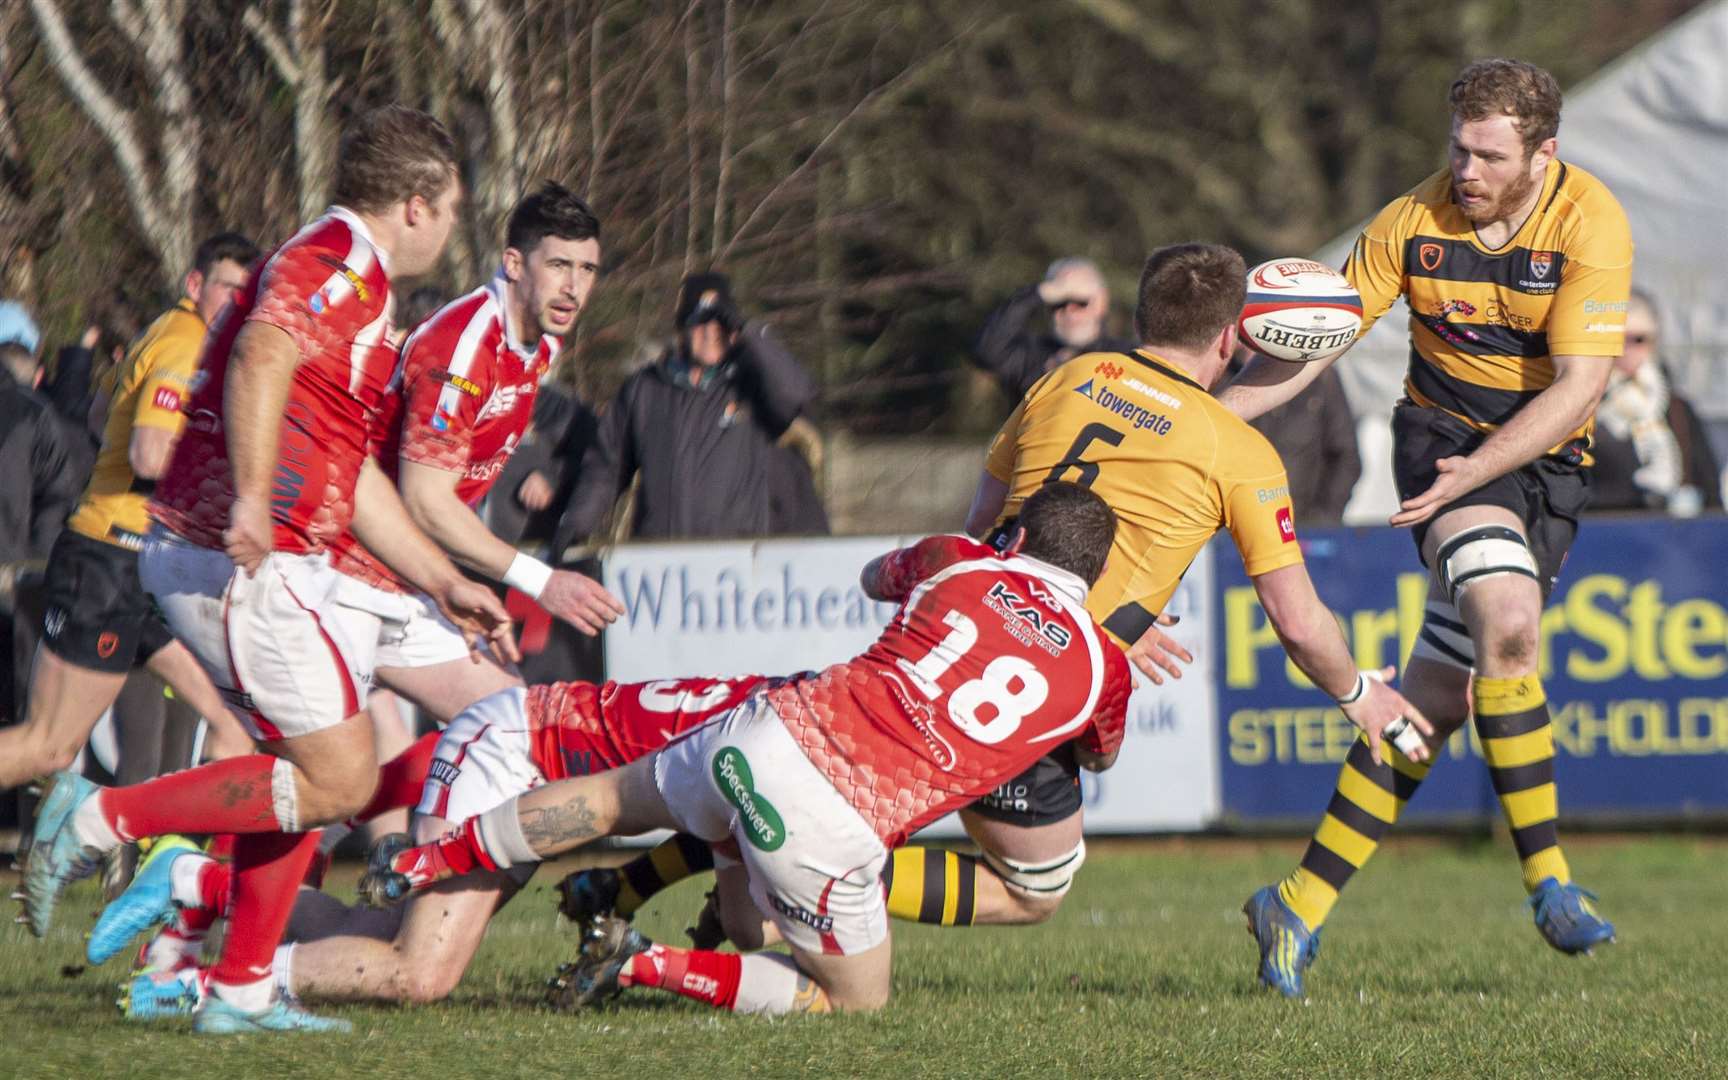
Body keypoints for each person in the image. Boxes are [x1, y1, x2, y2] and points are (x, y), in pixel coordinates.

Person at [21, 104, 517, 1036]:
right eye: (451, 208)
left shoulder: (355, 279)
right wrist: (251, 495)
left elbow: (353, 474)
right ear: (416, 205)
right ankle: (101, 817)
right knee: (339, 776)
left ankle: (242, 985)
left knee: (309, 770)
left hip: (271, 557)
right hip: (243, 557)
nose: (454, 227)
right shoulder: (334, 263)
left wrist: (441, 580)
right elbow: (259, 353)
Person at [97, 179, 626, 1019]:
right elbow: (423, 496)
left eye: (588, 269)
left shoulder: (536, 350)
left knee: (507, 729)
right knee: (348, 770)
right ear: (513, 263)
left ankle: (209, 891)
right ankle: (169, 875)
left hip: (396, 579)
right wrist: (532, 579)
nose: (573, 287)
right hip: (345, 571)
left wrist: (457, 586)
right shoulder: (470, 340)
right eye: (558, 265)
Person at [360, 483, 1135, 1018]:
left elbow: (875, 577)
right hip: (838, 818)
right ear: (1093, 578)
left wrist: (976, 559)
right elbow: (1097, 757)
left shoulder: (959, 558)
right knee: (854, 1002)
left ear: (1019, 537)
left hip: (762, 732)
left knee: (603, 798)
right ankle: (640, 963)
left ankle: (424, 860)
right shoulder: (1105, 666)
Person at [1219, 59, 1632, 996]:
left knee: (1436, 701)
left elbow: (1579, 389)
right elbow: (1322, 343)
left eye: (1490, 154)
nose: (1469, 169)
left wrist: (1487, 470)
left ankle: (1296, 903)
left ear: (1543, 153)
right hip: (1441, 443)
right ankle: (1551, 881)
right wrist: (1214, 412)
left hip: (1543, 462)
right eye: (1459, 147)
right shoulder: (1411, 221)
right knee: (1511, 627)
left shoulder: (1590, 221)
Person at [875, 243, 1429, 936]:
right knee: (1034, 888)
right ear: (1233, 336)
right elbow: (1296, 619)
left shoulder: (1068, 375)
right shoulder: (1238, 453)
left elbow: (987, 520)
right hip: (1034, 670)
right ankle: (809, 882)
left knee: (857, 792)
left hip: (953, 623)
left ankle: (791, 871)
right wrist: (1358, 694)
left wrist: (1091, 606)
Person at [93, 673, 772, 1011]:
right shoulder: (776, 748)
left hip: (523, 757)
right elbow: (747, 926)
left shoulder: (778, 715)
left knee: (375, 933)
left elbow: (730, 885)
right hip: (511, 758)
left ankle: (198, 883)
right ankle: (200, 988)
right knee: (419, 972)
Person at [0, 233, 260, 793]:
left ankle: (212, 750)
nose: (237, 303)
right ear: (195, 285)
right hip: (110, 553)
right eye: (227, 289)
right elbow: (150, 454)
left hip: (132, 559)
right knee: (48, 744)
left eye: (248, 294)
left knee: (65, 740)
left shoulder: (191, 340)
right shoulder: (185, 347)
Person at [553, 272, 817, 546]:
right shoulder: (645, 390)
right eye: (700, 322)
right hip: (661, 562)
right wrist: (576, 525)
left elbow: (796, 395)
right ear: (682, 329)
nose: (711, 332)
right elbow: (605, 468)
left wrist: (749, 331)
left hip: (734, 562)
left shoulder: (752, 387)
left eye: (721, 322)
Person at [0, 322, 84, 728]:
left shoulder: (32, 416)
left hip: (16, 571)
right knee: (17, 702)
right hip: (14, 578)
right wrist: (33, 565)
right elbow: (58, 496)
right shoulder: (34, 414)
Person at [1587, 290, 1721, 515]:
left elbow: (1710, 488)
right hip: (1606, 534)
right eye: (1617, 339)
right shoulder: (1582, 406)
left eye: (1638, 340)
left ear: (1653, 341)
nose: (1625, 350)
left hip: (1672, 538)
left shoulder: (1676, 407)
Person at [1224, 345, 1363, 523]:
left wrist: (1323, 518)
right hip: (1237, 525)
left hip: (1302, 523)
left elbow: (1345, 455)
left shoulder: (1320, 379)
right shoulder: (1222, 380)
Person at [973, 257, 1135, 401]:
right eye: (1059, 302)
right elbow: (986, 351)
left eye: (1081, 302)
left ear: (1101, 302)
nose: (1069, 311)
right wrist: (1038, 293)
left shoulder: (1128, 358)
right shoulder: (1030, 356)